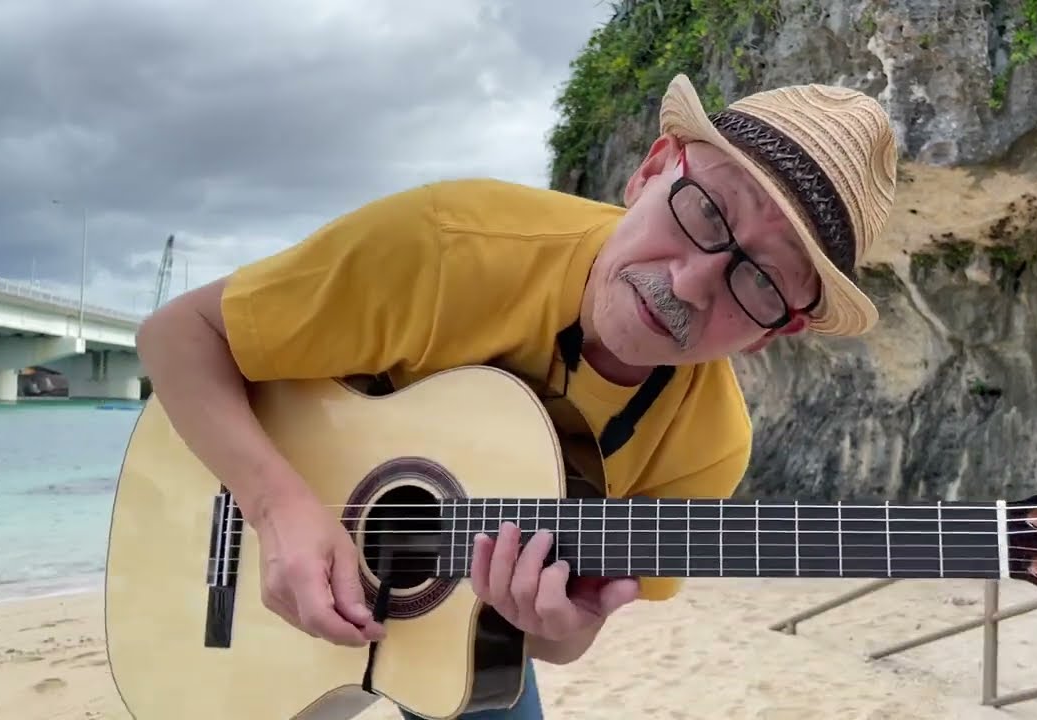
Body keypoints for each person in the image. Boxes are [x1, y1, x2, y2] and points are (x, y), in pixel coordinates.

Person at [134, 73, 898, 719]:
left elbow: (564, 643)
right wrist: (279, 506)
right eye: (705, 210)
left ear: (775, 332)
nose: (691, 283)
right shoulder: (449, 244)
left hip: (457, 636)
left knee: (490, 680)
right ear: (652, 169)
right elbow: (176, 335)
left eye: (760, 280)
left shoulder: (708, 444)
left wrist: (555, 621)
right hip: (249, 553)